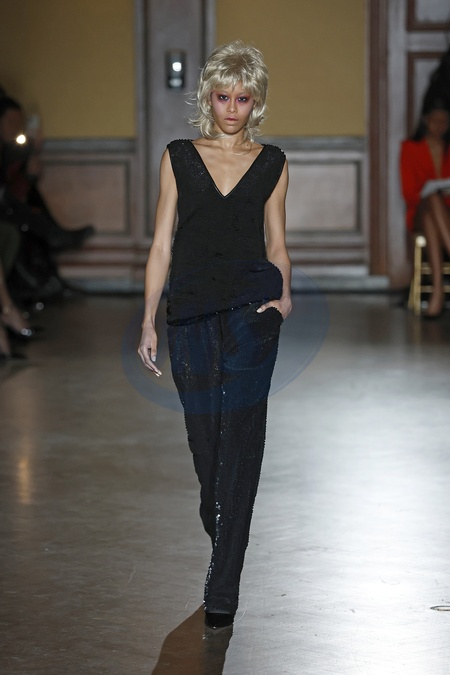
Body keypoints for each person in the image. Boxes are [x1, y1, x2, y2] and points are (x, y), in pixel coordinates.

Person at [138, 40, 292, 630]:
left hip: (252, 313)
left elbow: (277, 242)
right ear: (209, 98)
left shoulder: (273, 162)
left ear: (256, 102)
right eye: (223, 97)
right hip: (191, 314)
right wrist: (148, 317)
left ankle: (223, 586)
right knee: (207, 450)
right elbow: (161, 244)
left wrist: (283, 298)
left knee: (242, 446)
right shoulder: (179, 156)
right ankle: (223, 527)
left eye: (243, 99)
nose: (232, 108)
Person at [400, 97, 450, 318]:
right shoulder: (410, 148)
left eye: (444, 122)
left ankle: (437, 292)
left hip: (444, 214)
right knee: (431, 199)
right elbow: (409, 193)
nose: (440, 126)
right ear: (425, 120)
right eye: (435, 121)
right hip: (418, 210)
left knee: (433, 213)